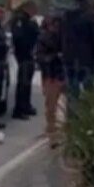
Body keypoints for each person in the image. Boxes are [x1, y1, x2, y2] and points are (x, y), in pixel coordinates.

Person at [61, 0, 94, 116]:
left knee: (72, 92)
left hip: (70, 59)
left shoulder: (67, 15)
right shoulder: (91, 16)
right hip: (87, 60)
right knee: (89, 91)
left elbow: (62, 37)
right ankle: (87, 120)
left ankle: (72, 120)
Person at [36, 14, 65, 148]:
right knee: (51, 107)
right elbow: (41, 58)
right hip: (51, 75)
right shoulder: (44, 38)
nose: (57, 28)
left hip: (61, 74)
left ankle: (55, 132)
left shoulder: (65, 38)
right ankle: (52, 134)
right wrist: (55, 56)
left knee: (57, 107)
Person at [10, 0, 40, 120]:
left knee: (27, 82)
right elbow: (18, 37)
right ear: (28, 8)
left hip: (29, 54)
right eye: (34, 9)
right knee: (23, 83)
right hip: (23, 54)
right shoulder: (20, 19)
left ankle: (26, 105)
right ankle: (19, 109)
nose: (35, 12)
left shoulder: (28, 20)